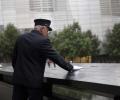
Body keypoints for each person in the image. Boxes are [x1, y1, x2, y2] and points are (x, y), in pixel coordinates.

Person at [12, 19, 74, 100]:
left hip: (18, 82)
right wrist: (70, 67)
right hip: (33, 84)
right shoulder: (43, 40)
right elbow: (56, 57)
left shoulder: (20, 38)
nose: (47, 33)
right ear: (42, 29)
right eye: (47, 30)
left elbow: (14, 60)